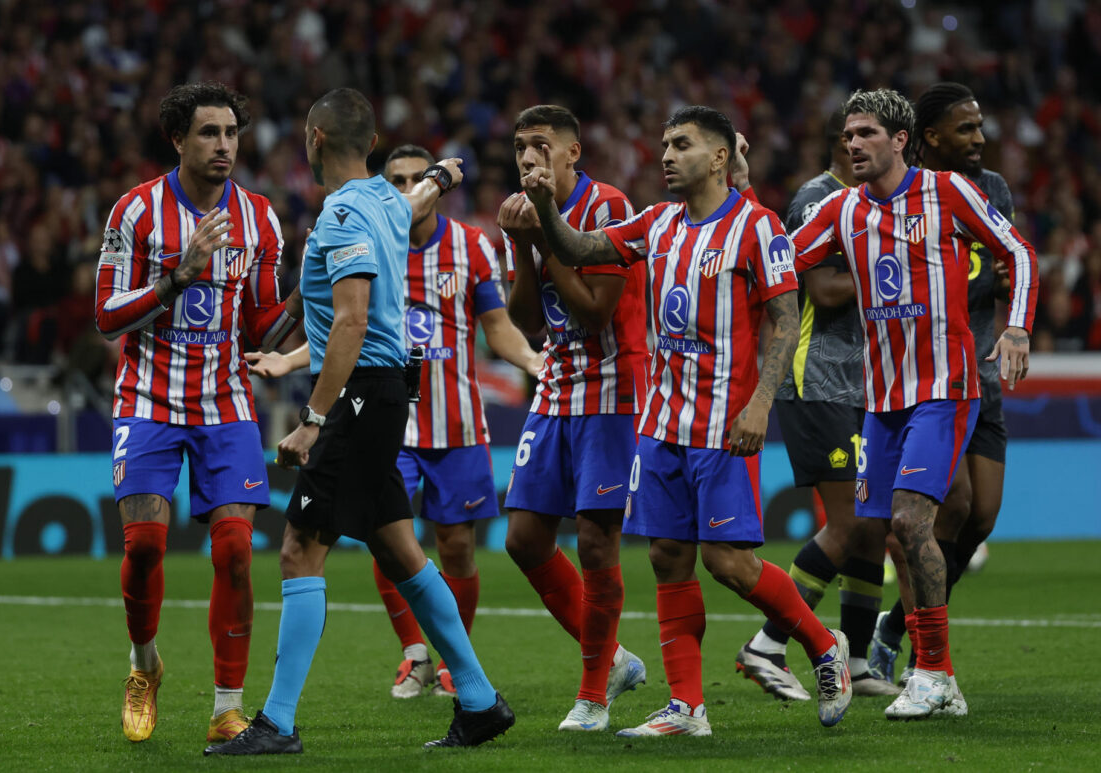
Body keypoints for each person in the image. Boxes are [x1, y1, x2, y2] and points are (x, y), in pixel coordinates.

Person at [520, 105, 854, 735]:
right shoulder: (658, 223)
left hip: (724, 424)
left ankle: (821, 641)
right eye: (664, 144)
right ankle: (687, 707)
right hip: (660, 423)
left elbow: (785, 319)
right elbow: (581, 246)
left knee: (728, 563)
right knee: (669, 557)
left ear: (721, 157)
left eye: (683, 144)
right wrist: (544, 210)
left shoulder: (756, 228)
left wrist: (760, 404)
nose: (667, 155)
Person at [205, 88, 513, 756]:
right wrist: (440, 174)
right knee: (400, 549)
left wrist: (313, 418)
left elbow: (350, 319)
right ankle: (482, 700)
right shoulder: (382, 202)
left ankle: (279, 722)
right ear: (371, 146)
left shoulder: (343, 212)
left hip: (362, 396)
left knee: (298, 548)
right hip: (388, 389)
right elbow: (413, 204)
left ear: (314, 137)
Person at [246, 143, 541, 701]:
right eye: (396, 179)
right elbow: (343, 325)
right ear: (385, 182)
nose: (407, 189)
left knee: (441, 546)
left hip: (440, 417)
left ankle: (460, 679)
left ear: (315, 140)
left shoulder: (454, 241)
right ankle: (425, 660)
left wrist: (530, 360)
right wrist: (286, 358)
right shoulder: (380, 226)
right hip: (393, 418)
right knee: (388, 542)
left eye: (413, 179)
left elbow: (356, 323)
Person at [791, 88, 1037, 720]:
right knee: (890, 533)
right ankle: (941, 677)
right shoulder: (841, 209)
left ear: (901, 140)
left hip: (944, 389)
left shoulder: (947, 193)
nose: (853, 144)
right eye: (847, 135)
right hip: (881, 399)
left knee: (909, 521)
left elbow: (1019, 253)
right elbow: (780, 259)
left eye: (866, 133)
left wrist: (1016, 327)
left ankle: (926, 670)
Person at [93, 81, 301, 745]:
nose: (223, 145)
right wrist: (178, 276)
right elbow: (105, 315)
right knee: (147, 547)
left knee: (237, 551)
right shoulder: (136, 212)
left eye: (232, 133)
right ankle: (144, 662)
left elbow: (259, 331)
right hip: (149, 397)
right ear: (178, 139)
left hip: (224, 401)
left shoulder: (261, 219)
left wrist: (305, 294)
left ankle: (226, 708)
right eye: (209, 133)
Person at [736, 109, 899, 701]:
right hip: (814, 377)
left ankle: (855, 660)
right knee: (850, 520)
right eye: (853, 138)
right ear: (840, 143)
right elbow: (825, 288)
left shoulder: (869, 203)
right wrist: (896, 268)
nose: (861, 147)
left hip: (862, 384)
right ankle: (769, 642)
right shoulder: (818, 198)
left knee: (872, 524)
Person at [495, 104, 648, 733]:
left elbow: (594, 312)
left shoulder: (607, 205)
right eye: (519, 147)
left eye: (539, 145)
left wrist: (543, 234)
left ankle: (593, 693)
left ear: (571, 153)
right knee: (524, 539)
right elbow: (528, 321)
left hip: (613, 389)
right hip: (556, 388)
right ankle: (613, 658)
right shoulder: (523, 215)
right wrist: (519, 242)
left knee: (594, 540)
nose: (528, 157)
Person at [870, 82, 1018, 687]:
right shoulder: (895, 199)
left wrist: (1012, 309)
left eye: (980, 127)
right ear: (929, 137)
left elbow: (1005, 265)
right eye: (966, 129)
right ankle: (928, 663)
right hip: (930, 378)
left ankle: (897, 629)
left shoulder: (992, 191)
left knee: (980, 517)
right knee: (938, 510)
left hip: (984, 372)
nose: (979, 139)